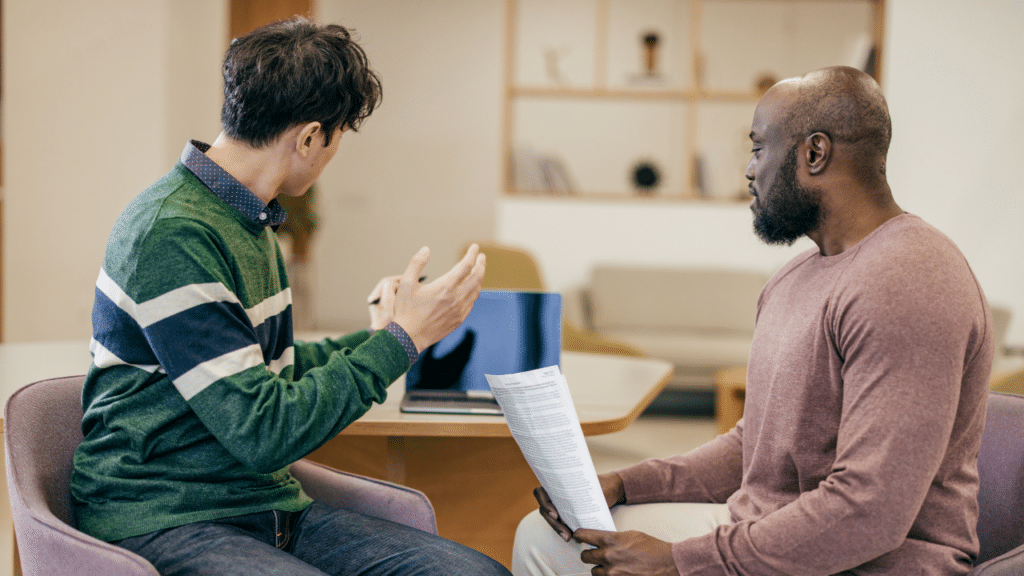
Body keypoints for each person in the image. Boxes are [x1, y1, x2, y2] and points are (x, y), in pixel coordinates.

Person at [512, 66, 995, 576]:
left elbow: (869, 510)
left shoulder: (909, 279)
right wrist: (625, 483)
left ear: (814, 153)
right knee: (544, 536)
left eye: (759, 148)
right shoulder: (795, 277)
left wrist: (680, 562)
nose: (748, 169)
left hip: (877, 562)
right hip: (771, 528)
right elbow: (754, 449)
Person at [71, 18, 511, 576]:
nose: (334, 153)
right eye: (338, 136)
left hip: (258, 504)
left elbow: (269, 373)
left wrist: (386, 333)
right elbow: (264, 430)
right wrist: (404, 340)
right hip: (163, 513)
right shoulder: (172, 233)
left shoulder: (249, 222)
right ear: (309, 137)